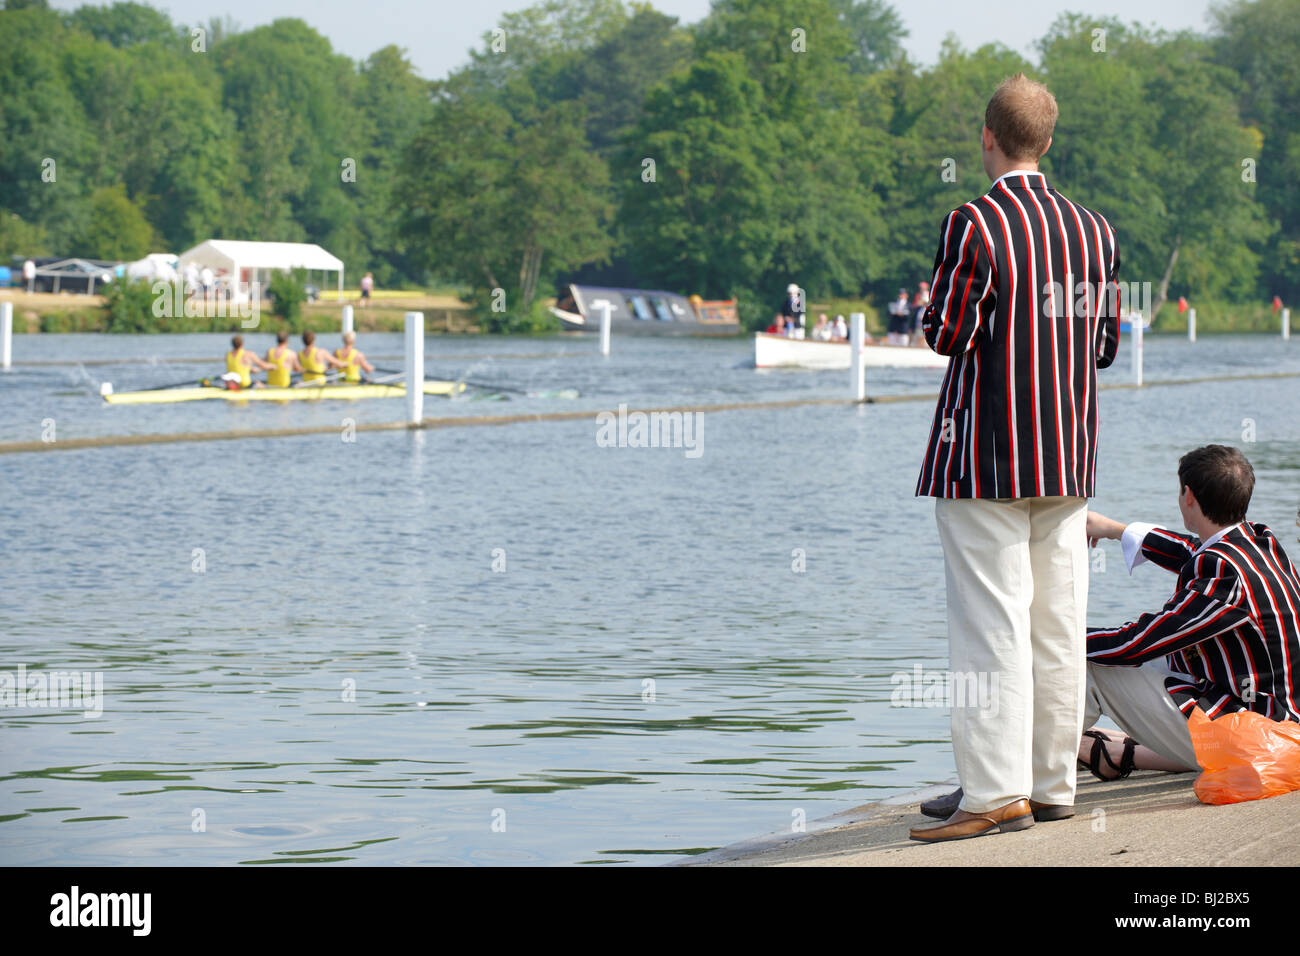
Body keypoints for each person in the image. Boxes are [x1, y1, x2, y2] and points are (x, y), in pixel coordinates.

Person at [908, 73, 1121, 843]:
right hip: (1066, 451)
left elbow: (948, 334)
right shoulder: (1096, 232)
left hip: (986, 459)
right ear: (1050, 142)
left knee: (988, 622)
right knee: (1058, 620)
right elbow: (1101, 346)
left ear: (988, 138)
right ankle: (1049, 782)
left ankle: (994, 792)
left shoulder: (975, 224)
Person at [920, 445, 1300, 819]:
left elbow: (1135, 644)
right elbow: (1190, 550)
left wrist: (1052, 639)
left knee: (1087, 666)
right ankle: (1039, 775)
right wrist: (1117, 530)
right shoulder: (1261, 544)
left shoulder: (1223, 576)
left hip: (1253, 740)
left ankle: (1004, 785)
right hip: (1281, 726)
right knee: (1097, 656)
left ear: (1187, 496)